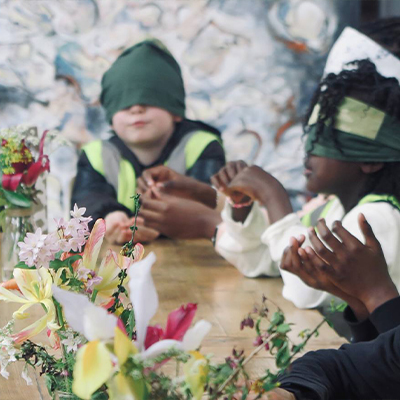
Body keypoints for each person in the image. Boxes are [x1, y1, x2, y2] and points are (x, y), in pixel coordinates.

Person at [212, 48, 400, 309]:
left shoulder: (375, 219)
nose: (307, 151)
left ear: (370, 160)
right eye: (310, 135)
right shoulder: (335, 207)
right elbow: (264, 263)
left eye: (325, 141)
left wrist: (273, 197)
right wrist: (244, 207)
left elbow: (306, 292)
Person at [71, 39, 225, 244]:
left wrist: (158, 224)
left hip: (194, 258)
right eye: (124, 104)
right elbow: (87, 201)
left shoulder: (202, 146)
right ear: (111, 118)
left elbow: (209, 204)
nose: (136, 109)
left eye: (149, 99)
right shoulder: (96, 154)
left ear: (176, 111)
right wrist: (111, 219)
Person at [259, 217, 400, 400]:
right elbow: (376, 369)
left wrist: (375, 294)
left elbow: (369, 370)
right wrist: (361, 301)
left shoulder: (378, 215)